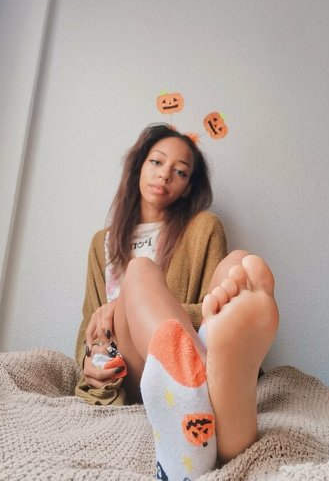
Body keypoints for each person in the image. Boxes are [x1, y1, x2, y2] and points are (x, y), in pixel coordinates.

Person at [75, 123, 279, 480]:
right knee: (139, 270)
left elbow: (209, 312)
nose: (165, 175)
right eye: (157, 162)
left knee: (237, 264)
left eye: (180, 172)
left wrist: (127, 303)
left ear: (188, 187)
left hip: (188, 340)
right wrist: (89, 360)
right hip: (135, 366)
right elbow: (89, 328)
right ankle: (213, 391)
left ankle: (210, 415)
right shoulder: (101, 242)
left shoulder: (204, 228)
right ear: (139, 166)